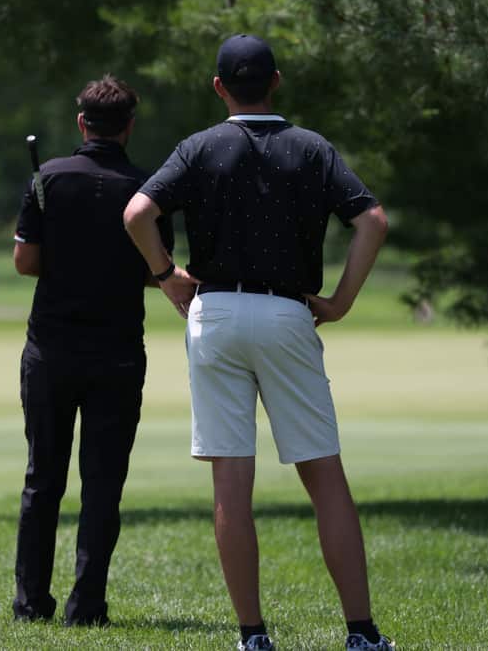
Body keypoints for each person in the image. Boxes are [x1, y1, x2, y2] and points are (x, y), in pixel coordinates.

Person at [123, 35, 395, 651]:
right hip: (287, 313)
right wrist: (343, 301)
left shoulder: (198, 148)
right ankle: (361, 633)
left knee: (230, 480)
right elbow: (371, 221)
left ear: (219, 88)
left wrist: (166, 277)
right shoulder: (312, 148)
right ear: (275, 80)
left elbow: (138, 214)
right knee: (323, 473)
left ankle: (252, 637)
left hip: (214, 312)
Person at [12, 75, 173, 627]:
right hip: (118, 355)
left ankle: (30, 604)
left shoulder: (47, 179)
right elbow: (159, 269)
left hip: (51, 351)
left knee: (43, 480)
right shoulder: (150, 187)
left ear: (82, 123)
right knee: (103, 485)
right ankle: (87, 607)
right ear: (129, 126)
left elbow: (25, 263)